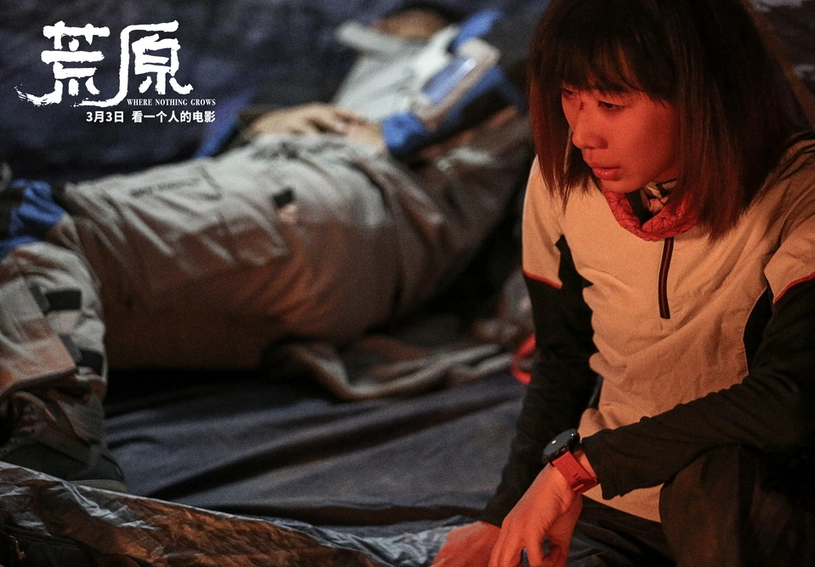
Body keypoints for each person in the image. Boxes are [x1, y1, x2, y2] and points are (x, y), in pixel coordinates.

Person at [0, 4, 534, 493]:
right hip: (322, 282)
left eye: (392, 17)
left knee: (24, 217)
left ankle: (57, 466)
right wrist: (260, 122)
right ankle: (47, 472)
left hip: (333, 202)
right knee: (50, 297)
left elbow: (512, 52)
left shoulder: (491, 50)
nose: (375, 24)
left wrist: (396, 133)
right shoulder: (343, 74)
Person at [431, 0, 815, 565]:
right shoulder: (560, 181)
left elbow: (787, 403)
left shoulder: (813, 192)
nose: (583, 134)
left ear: (704, 93)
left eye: (610, 103)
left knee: (712, 487)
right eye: (570, 96)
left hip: (763, 500)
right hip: (611, 504)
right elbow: (562, 359)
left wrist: (580, 466)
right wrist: (501, 514)